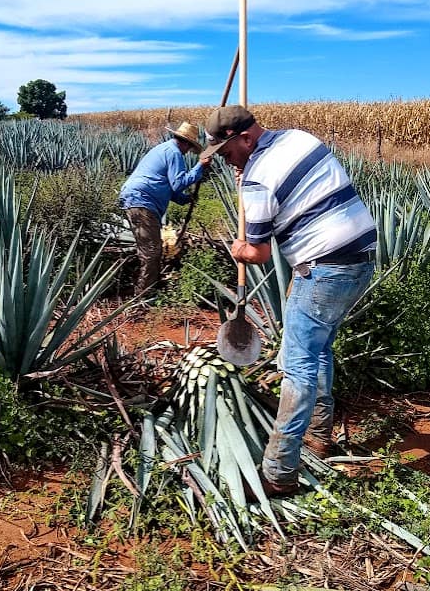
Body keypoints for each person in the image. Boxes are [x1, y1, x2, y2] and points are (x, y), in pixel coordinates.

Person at [202, 105, 376, 497]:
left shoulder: (257, 181)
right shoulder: (301, 138)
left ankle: (279, 472)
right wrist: (243, 171)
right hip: (360, 261)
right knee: (319, 349)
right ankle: (319, 435)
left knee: (297, 364)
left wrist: (239, 249)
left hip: (323, 270)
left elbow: (260, 255)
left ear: (244, 138)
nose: (227, 163)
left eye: (227, 153)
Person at [119, 121, 211, 300]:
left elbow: (167, 186)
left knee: (149, 249)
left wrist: (185, 199)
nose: (188, 152)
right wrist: (199, 167)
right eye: (190, 147)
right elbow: (178, 183)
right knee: (152, 251)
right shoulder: (174, 152)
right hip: (142, 200)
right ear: (186, 142)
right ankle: (143, 296)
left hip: (137, 198)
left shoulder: (165, 150)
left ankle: (144, 287)